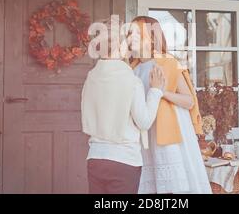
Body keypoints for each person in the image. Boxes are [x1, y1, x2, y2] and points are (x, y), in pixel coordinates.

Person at [81, 17, 166, 194]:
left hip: (95, 158)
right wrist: (156, 91)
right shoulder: (131, 81)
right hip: (124, 161)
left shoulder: (91, 77)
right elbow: (144, 122)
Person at [130, 16, 212, 194]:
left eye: (137, 33)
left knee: (171, 188)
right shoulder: (132, 70)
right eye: (130, 33)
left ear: (151, 37)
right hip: (144, 135)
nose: (131, 37)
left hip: (168, 134)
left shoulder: (168, 62)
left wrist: (161, 92)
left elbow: (189, 101)